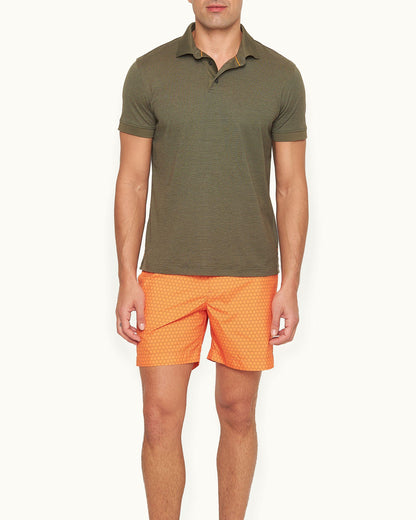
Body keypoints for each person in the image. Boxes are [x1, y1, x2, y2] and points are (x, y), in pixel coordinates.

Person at [114, 1, 308, 518]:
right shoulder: (148, 72)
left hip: (249, 277)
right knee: (159, 419)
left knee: (238, 412)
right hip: (165, 275)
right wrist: (126, 277)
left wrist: (290, 284)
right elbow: (132, 180)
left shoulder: (282, 76)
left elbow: (291, 186)